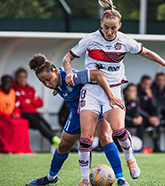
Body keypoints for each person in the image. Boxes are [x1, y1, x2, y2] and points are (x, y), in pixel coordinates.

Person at [62, 0, 165, 185]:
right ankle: (85, 179)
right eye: (106, 28)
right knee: (86, 137)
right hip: (91, 91)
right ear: (100, 25)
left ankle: (130, 158)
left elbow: (147, 52)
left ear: (120, 26)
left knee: (118, 130)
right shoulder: (90, 39)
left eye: (113, 28)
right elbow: (67, 58)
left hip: (114, 90)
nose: (109, 32)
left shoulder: (124, 41)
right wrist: (69, 72)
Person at [27, 54, 125, 186]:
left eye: (48, 79)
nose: (47, 84)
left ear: (55, 71)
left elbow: (97, 76)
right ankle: (51, 177)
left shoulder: (72, 76)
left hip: (94, 109)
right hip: (77, 112)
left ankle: (120, 178)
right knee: (63, 145)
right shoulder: (56, 81)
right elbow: (58, 85)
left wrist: (111, 96)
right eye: (43, 82)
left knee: (105, 137)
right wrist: (56, 87)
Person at [12, 67, 61, 148]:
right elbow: (22, 104)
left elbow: (40, 102)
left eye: (24, 77)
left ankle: (56, 140)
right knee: (39, 124)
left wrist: (29, 101)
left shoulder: (30, 89)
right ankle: (54, 139)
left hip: (34, 114)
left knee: (45, 123)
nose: (22, 79)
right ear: (17, 78)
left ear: (26, 78)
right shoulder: (15, 89)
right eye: (20, 77)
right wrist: (31, 101)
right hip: (24, 114)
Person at [0, 75, 32, 154]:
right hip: (2, 117)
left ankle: (21, 149)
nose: (7, 84)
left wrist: (16, 113)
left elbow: (16, 106)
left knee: (24, 123)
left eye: (9, 82)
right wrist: (7, 116)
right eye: (5, 82)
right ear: (2, 83)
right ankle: (7, 148)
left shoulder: (13, 92)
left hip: (10, 116)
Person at [137, 75, 161, 152]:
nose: (147, 86)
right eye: (145, 84)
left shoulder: (152, 92)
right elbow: (138, 108)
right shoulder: (137, 92)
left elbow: (156, 107)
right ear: (141, 83)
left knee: (157, 122)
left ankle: (156, 147)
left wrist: (151, 97)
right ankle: (139, 146)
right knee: (140, 124)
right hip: (141, 117)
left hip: (151, 118)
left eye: (148, 84)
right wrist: (149, 118)